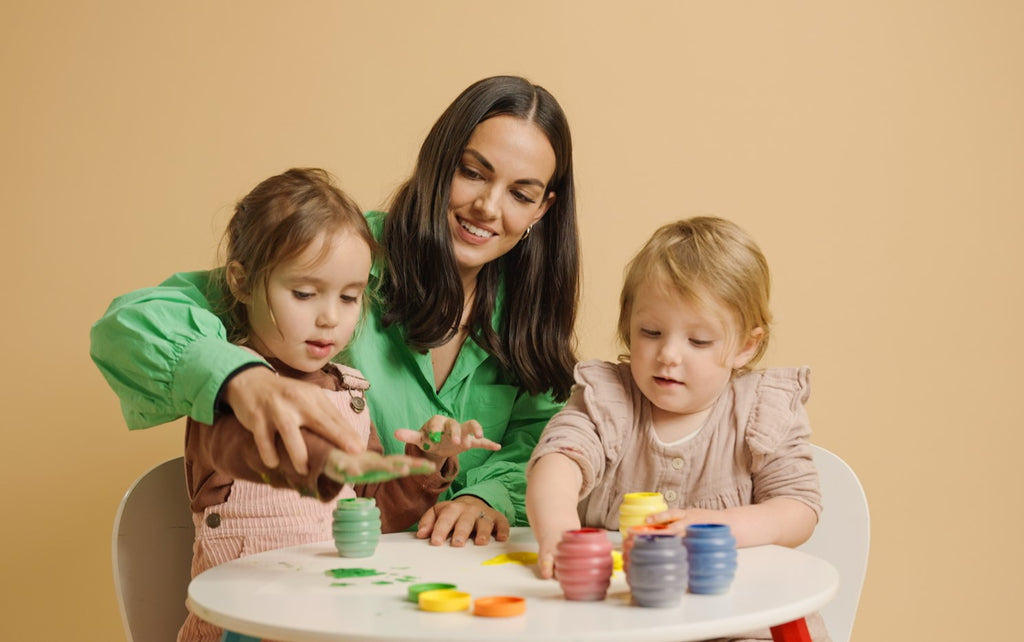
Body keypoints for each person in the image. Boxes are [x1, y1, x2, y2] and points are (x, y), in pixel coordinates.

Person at [90, 75, 580, 547]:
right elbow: (130, 326)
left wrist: (485, 495)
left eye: (521, 194)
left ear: (542, 209)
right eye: (472, 172)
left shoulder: (527, 310)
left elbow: (544, 437)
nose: (488, 207)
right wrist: (240, 378)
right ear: (436, 163)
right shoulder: (338, 259)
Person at [177, 168, 499, 642]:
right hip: (245, 628)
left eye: (349, 297)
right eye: (304, 293)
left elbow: (376, 517)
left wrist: (423, 463)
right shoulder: (229, 384)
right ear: (242, 284)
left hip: (335, 624)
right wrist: (329, 458)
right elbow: (236, 445)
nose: (329, 317)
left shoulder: (349, 395)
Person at [526, 217, 828, 641]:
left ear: (746, 345)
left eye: (699, 341)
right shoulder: (607, 398)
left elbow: (798, 509)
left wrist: (722, 526)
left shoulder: (764, 410)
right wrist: (559, 530)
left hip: (734, 617)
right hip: (615, 618)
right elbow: (558, 459)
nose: (668, 354)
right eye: (650, 332)